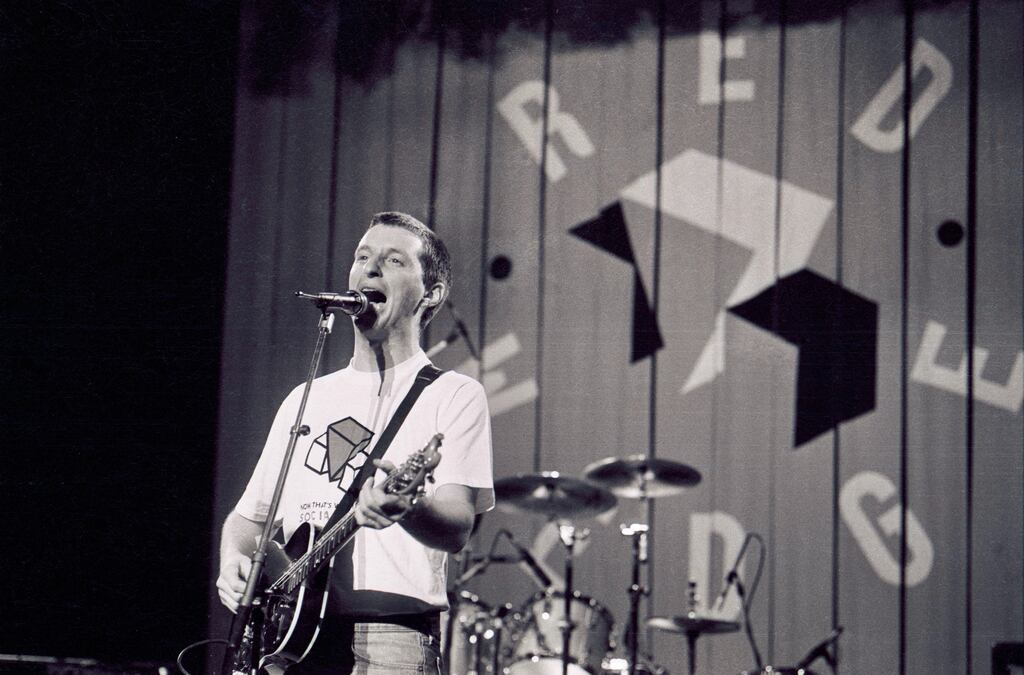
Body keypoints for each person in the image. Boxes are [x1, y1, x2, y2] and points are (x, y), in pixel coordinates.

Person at [216, 212, 494, 674]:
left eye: (393, 260)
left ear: (432, 294)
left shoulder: (453, 394)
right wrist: (232, 561)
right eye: (362, 257)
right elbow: (249, 520)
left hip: (388, 638)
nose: (371, 269)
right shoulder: (306, 398)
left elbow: (458, 525)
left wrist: (408, 508)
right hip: (290, 641)